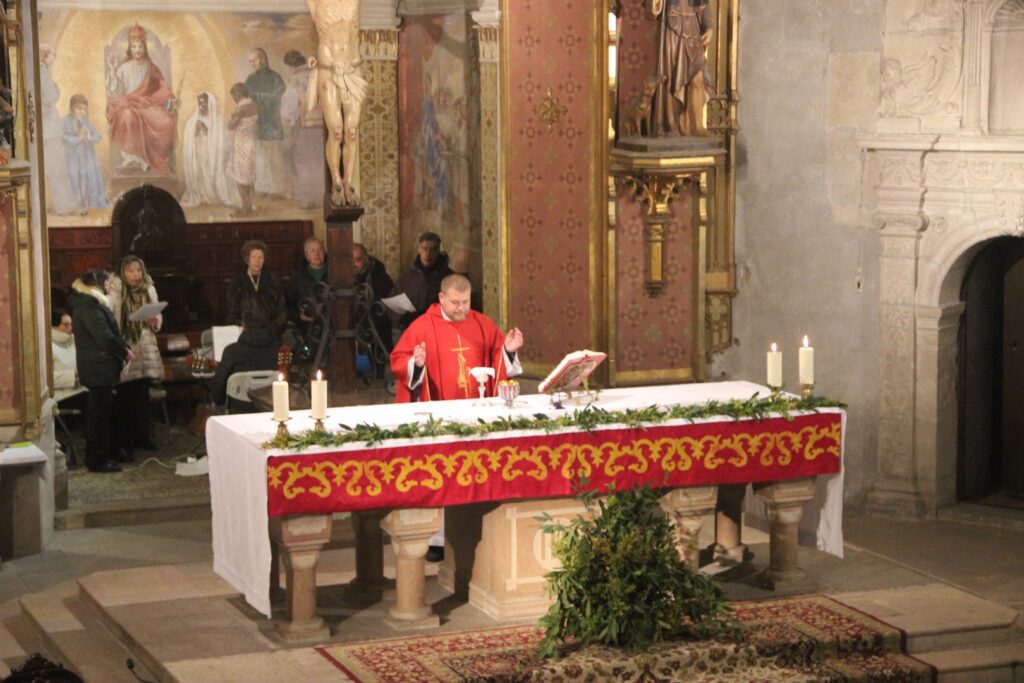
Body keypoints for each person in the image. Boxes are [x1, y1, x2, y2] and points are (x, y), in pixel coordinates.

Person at [390, 273, 524, 560]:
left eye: (466, 302)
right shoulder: (422, 327)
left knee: (474, 472)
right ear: (441, 299)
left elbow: (498, 358)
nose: (462, 308)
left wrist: (509, 351)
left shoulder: (481, 323)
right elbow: (398, 361)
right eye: (456, 303)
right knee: (441, 474)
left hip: (478, 416)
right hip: (441, 415)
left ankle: (473, 529)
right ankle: (437, 540)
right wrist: (416, 363)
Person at [68, 269, 133, 473]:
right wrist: (124, 352)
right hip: (98, 368)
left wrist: (124, 348)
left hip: (100, 367)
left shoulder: (91, 304)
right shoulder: (89, 307)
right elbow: (104, 337)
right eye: (107, 283)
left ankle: (108, 452)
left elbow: (110, 332)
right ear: (97, 285)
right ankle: (97, 459)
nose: (111, 287)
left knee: (104, 414)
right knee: (99, 417)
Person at [307, 0, 366, 206]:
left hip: (352, 69)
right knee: (336, 130)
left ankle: (349, 181)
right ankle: (337, 182)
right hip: (328, 70)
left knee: (351, 130)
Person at [105, 24, 178, 173]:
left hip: (147, 104)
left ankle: (154, 156)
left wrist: (170, 100)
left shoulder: (151, 67)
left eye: (140, 47)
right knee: (128, 115)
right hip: (128, 105)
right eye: (134, 47)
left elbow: (161, 88)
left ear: (144, 48)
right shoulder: (124, 68)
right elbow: (114, 90)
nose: (137, 50)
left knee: (166, 120)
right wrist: (112, 71)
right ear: (130, 49)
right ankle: (133, 156)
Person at [108, 255, 163, 454]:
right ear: (123, 272)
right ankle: (127, 439)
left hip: (145, 344)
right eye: (131, 271)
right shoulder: (117, 290)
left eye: (138, 270)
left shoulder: (149, 288)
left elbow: (157, 315)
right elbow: (112, 317)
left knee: (143, 396)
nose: (135, 275)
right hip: (127, 345)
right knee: (126, 398)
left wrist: (154, 321)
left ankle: (143, 436)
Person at [647, 0, 715, 137]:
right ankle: (671, 125)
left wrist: (709, 28)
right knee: (671, 80)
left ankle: (696, 125)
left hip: (694, 30)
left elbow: (704, 5)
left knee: (697, 78)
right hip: (671, 29)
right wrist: (654, 4)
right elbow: (652, 10)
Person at [208, 307, 279, 411]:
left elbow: (218, 388)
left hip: (237, 408)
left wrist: (216, 401)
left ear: (243, 327)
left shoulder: (231, 351)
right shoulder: (278, 350)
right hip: (269, 407)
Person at [281, 50, 324, 210]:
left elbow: (288, 107)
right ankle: (322, 196)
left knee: (304, 161)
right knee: (320, 159)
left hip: (304, 126)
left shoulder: (295, 81)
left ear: (291, 65)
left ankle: (307, 198)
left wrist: (288, 120)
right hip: (321, 125)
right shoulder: (318, 75)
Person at [181, 91, 241, 208]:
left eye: (204, 104)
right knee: (200, 171)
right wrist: (195, 129)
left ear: (210, 104)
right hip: (199, 152)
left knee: (211, 171)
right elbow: (190, 137)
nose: (201, 107)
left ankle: (212, 194)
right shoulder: (193, 119)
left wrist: (206, 130)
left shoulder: (218, 120)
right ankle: (202, 195)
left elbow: (224, 142)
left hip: (213, 154)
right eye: (199, 104)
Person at [245, 48, 289, 198]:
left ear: (262, 59)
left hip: (272, 122)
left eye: (253, 60)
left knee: (274, 157)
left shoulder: (276, 77)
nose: (251, 64)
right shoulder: (250, 79)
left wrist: (260, 98)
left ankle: (276, 190)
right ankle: (263, 188)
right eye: (249, 61)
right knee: (260, 157)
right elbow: (247, 98)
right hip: (258, 122)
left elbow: (280, 96)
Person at [39, 45, 77, 216]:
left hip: (45, 129)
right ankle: (64, 206)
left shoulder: (38, 72)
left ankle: (55, 205)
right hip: (50, 129)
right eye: (52, 56)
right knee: (58, 170)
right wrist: (58, 91)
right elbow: (49, 98)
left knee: (51, 169)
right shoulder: (42, 72)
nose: (53, 60)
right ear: (45, 56)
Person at [389, 231, 453, 331]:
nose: (428, 254)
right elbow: (393, 301)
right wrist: (402, 319)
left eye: (432, 250)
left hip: (437, 331)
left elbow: (453, 308)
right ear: (419, 249)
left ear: (438, 251)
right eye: (425, 249)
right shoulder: (408, 276)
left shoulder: (449, 277)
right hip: (410, 330)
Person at [225, 239, 287, 335]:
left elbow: (282, 312)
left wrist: (272, 329)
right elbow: (230, 313)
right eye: (254, 257)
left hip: (270, 334)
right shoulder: (237, 283)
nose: (257, 261)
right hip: (245, 334)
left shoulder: (273, 282)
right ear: (247, 259)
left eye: (260, 257)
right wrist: (243, 326)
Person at [61, 95, 109, 210]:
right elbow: (62, 138)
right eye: (78, 108)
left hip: (87, 156)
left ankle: (90, 204)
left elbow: (97, 136)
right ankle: (77, 206)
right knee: (75, 180)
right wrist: (78, 138)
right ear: (71, 108)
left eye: (84, 109)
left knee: (90, 179)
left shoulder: (86, 121)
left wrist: (89, 136)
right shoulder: (64, 121)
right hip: (72, 157)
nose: (81, 112)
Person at [353, 242, 394, 350]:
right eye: (350, 260)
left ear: (366, 259)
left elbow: (384, 310)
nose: (353, 264)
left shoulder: (381, 279)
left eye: (357, 260)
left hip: (377, 338)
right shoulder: (344, 279)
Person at [226, 83, 258, 216]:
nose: (234, 99)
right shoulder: (255, 105)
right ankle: (249, 207)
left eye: (234, 96)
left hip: (242, 144)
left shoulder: (241, 109)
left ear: (238, 94)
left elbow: (231, 125)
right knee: (249, 177)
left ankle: (245, 209)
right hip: (252, 142)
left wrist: (232, 116)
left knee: (241, 178)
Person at [286, 237, 328, 333]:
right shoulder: (297, 277)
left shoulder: (333, 273)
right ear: (307, 255)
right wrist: (298, 316)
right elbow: (288, 304)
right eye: (312, 251)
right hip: (306, 328)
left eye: (319, 250)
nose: (317, 254)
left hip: (330, 325)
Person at [50, 309, 78, 390]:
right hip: (62, 397)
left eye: (71, 324)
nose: (70, 328)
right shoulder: (46, 347)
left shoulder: (74, 340)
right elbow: (46, 380)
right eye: (66, 325)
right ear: (53, 326)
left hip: (81, 392)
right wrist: (75, 375)